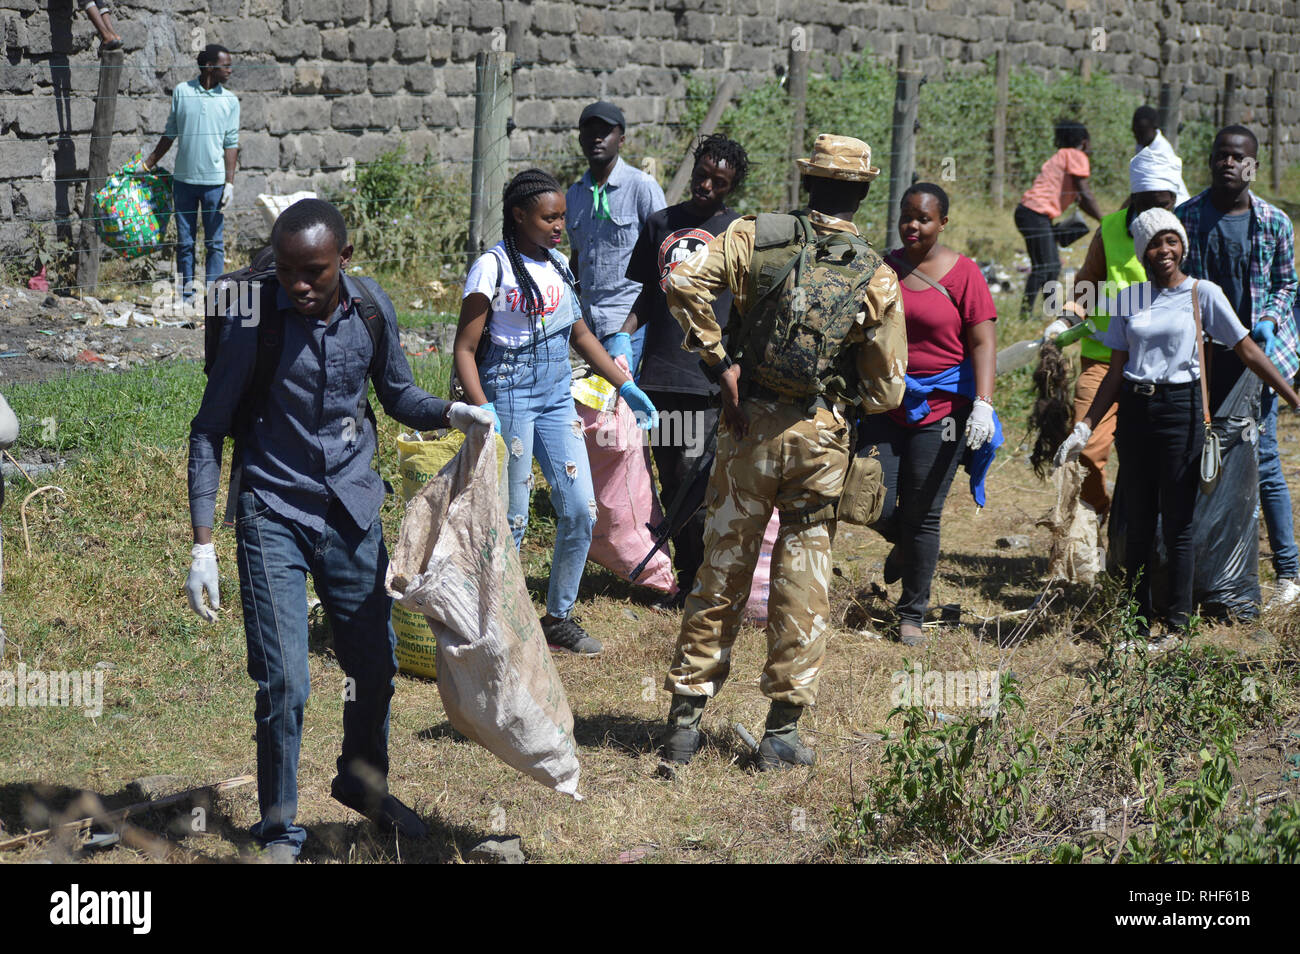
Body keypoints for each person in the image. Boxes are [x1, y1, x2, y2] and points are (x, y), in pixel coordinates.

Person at [185, 199, 495, 862]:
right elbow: (209, 427)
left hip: (353, 511)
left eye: (315, 273)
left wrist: (453, 412)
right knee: (285, 682)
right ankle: (278, 828)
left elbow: (397, 396)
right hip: (274, 511)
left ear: (344, 262)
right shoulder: (255, 322)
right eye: (288, 271)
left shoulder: (373, 310)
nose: (298, 285)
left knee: (375, 666)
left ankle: (363, 785)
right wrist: (203, 542)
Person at [658, 134, 907, 770]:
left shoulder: (753, 236)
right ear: (864, 191)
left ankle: (685, 724)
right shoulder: (875, 274)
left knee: (721, 569)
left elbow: (683, 283)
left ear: (807, 183)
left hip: (747, 427)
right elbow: (884, 390)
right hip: (820, 438)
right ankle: (782, 734)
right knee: (804, 576)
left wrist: (720, 363)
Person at [1055, 208, 1300, 637]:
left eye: (1171, 240)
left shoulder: (1202, 294)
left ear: (1182, 245)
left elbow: (1246, 349)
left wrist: (1292, 396)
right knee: (1140, 521)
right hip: (1136, 411)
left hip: (1181, 412)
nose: (1164, 250)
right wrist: (1084, 427)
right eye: (1154, 243)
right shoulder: (1128, 297)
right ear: (1142, 251)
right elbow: (1115, 371)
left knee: (1179, 522)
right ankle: (1135, 623)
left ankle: (1177, 624)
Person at [453, 169, 659, 657]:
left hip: (555, 395)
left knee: (581, 510)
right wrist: (484, 409)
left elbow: (580, 334)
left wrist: (625, 385)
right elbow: (463, 348)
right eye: (549, 217)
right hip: (507, 396)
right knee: (514, 519)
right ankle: (494, 622)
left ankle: (558, 617)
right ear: (519, 215)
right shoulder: (492, 268)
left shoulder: (561, 266)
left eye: (563, 217)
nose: (559, 225)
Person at [610, 133, 749, 611]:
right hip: (660, 376)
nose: (707, 185)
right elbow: (650, 294)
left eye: (720, 181)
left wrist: (736, 366)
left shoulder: (738, 232)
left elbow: (745, 307)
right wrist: (621, 337)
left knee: (696, 477)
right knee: (670, 475)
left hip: (706, 377)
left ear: (732, 186)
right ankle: (687, 575)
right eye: (702, 175)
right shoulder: (661, 224)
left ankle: (699, 581)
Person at [865, 183, 1000, 647]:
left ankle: (912, 614)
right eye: (907, 215)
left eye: (923, 218)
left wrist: (983, 403)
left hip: (944, 409)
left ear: (943, 223)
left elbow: (983, 341)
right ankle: (903, 543)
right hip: (887, 400)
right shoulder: (883, 267)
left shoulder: (965, 274)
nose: (913, 225)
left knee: (924, 513)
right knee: (868, 496)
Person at [1176, 125, 1300, 609]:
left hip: (1255, 358)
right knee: (1201, 454)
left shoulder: (1272, 221)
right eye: (1220, 155)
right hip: (1203, 356)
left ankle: (1288, 568)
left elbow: (1289, 284)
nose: (1228, 163)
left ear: (1253, 164)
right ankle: (1208, 563)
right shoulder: (1186, 218)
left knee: (1263, 459)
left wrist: (1267, 320)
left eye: (1237, 157)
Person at [1041, 147, 1182, 519]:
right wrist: (1067, 318)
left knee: (1153, 461)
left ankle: (1138, 534)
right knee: (1085, 448)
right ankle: (1101, 516)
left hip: (1161, 369)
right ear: (1134, 197)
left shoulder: (1180, 233)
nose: (1156, 213)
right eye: (1148, 203)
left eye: (1164, 204)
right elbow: (1088, 284)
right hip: (1103, 359)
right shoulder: (1111, 229)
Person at [566, 101, 667, 375]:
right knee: (596, 404)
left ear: (621, 139)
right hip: (587, 325)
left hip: (626, 320)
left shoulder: (641, 187)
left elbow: (665, 251)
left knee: (620, 400)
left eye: (605, 132)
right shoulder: (574, 195)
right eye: (589, 132)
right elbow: (576, 257)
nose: (597, 138)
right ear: (580, 140)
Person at [143, 45, 239, 302]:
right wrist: (147, 164)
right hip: (183, 182)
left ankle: (214, 297)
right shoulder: (182, 93)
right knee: (185, 243)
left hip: (214, 185)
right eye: (225, 65)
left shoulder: (230, 100)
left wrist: (229, 183)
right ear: (209, 67)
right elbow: (170, 132)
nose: (230, 69)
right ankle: (186, 295)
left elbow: (232, 143)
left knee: (214, 244)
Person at [1015, 119, 1104, 314]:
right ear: (1084, 141)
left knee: (1048, 265)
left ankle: (1051, 311)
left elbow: (1081, 199)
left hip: (1031, 214)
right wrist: (1104, 220)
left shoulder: (1062, 155)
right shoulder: (1076, 155)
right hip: (1034, 214)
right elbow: (1085, 193)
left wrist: (1097, 216)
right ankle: (1027, 313)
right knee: (1047, 265)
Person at [1131, 105, 1190, 206]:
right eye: (1134, 129)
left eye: (1141, 129)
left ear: (1154, 126)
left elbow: (1145, 188)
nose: (1136, 134)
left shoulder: (1160, 151)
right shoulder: (1143, 144)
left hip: (1175, 205)